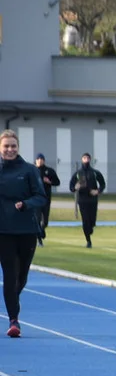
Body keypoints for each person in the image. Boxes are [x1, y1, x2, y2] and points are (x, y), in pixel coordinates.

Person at [0, 130, 46, 338]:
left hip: (27, 229)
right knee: (10, 275)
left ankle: (12, 299)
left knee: (21, 276)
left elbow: (40, 197)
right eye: (6, 146)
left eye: (13, 146)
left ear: (18, 148)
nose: (10, 150)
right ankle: (13, 320)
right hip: (4, 231)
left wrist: (26, 204)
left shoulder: (29, 170)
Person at [68, 152, 106, 248]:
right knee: (85, 221)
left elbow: (102, 184)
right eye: (84, 158)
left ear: (90, 160)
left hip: (93, 200)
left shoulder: (94, 173)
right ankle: (88, 241)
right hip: (82, 200)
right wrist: (75, 188)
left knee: (92, 221)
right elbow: (71, 187)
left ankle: (91, 228)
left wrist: (97, 191)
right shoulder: (78, 173)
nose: (86, 160)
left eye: (88, 158)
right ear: (82, 160)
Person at [34, 154, 60, 246]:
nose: (40, 161)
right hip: (36, 199)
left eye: (41, 159)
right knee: (37, 219)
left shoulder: (49, 171)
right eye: (38, 159)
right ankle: (39, 239)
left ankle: (42, 230)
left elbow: (57, 182)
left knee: (45, 221)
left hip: (46, 199)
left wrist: (49, 182)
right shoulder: (33, 171)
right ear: (35, 160)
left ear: (44, 160)